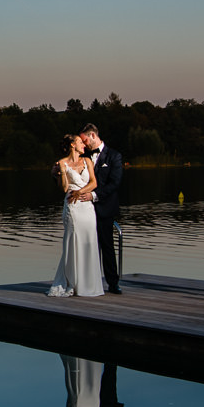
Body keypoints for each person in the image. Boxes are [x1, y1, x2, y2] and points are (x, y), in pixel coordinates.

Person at [48, 134, 104, 297]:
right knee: (73, 242)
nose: (84, 145)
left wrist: (80, 192)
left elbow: (94, 183)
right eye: (80, 142)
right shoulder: (62, 163)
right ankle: (71, 282)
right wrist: (62, 173)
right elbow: (65, 189)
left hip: (87, 207)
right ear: (73, 145)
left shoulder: (87, 161)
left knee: (89, 242)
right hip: (72, 208)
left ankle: (88, 282)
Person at [79, 124, 123, 294]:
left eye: (85, 140)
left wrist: (94, 195)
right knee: (85, 245)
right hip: (84, 209)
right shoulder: (84, 156)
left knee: (107, 246)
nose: (84, 144)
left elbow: (115, 183)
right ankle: (86, 282)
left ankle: (113, 283)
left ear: (92, 135)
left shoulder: (114, 156)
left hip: (105, 208)